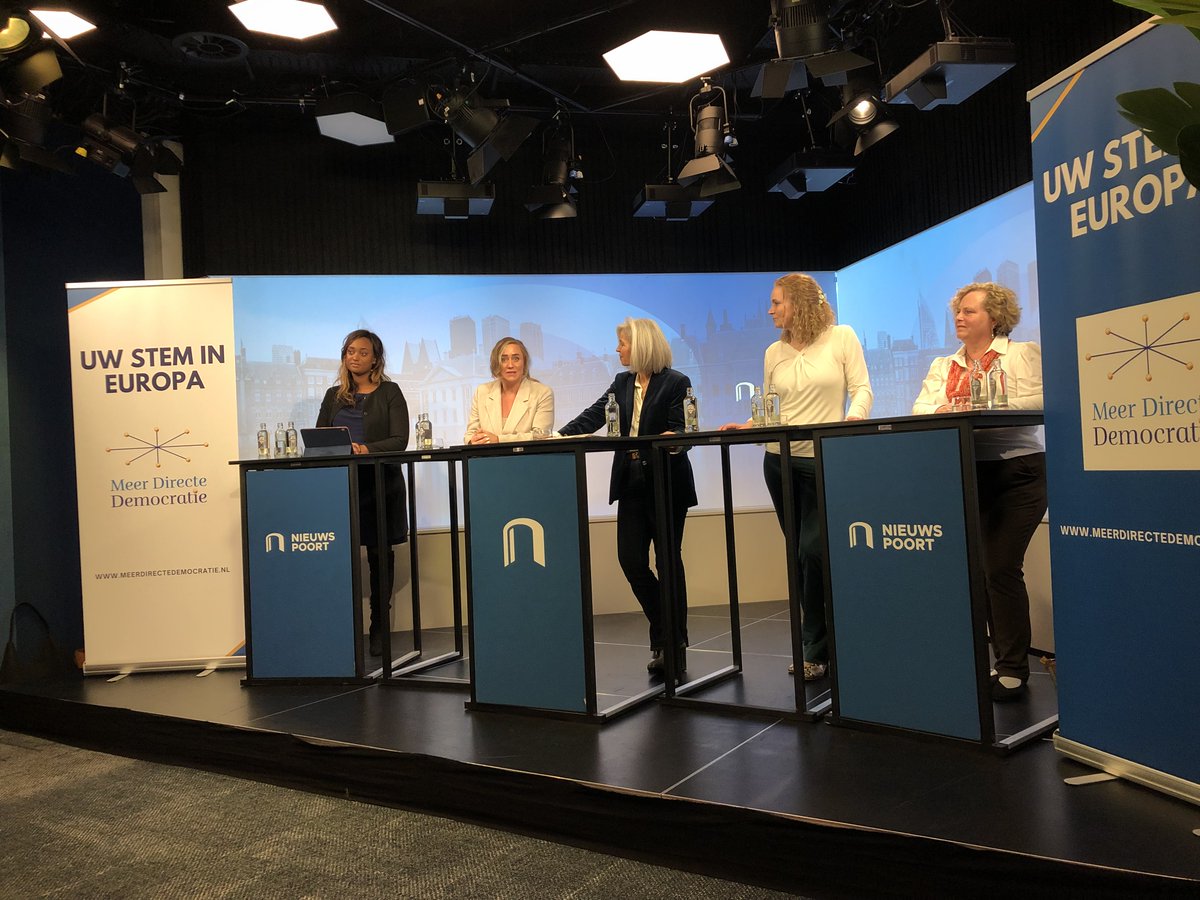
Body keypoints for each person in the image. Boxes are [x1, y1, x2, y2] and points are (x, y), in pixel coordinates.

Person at [721, 273, 872, 681]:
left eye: (776, 302)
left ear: (799, 303)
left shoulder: (841, 338)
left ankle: (817, 647)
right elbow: (771, 409)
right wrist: (748, 427)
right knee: (800, 557)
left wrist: (852, 420)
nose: (769, 310)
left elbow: (861, 389)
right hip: (779, 462)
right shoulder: (773, 351)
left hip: (822, 459)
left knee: (814, 551)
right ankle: (820, 645)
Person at [913, 282, 1046, 702]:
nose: (959, 317)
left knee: (1001, 567)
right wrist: (954, 408)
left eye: (969, 311)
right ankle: (996, 660)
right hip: (965, 470)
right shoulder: (943, 364)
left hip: (1018, 470)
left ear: (995, 317)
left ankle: (1013, 669)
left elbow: (1044, 400)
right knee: (981, 570)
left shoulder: (1021, 354)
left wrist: (990, 406)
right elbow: (921, 409)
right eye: (958, 310)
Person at [558, 318, 696, 679]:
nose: (617, 349)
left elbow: (683, 429)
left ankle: (669, 644)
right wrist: (558, 437)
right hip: (630, 481)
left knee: (667, 561)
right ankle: (670, 632)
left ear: (641, 345)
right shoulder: (621, 382)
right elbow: (593, 416)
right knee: (631, 561)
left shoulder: (676, 382)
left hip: (666, 482)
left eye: (622, 343)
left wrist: (674, 439)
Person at [316, 329, 410, 658]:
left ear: (375, 359)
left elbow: (400, 440)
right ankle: (343, 628)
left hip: (380, 486)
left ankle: (379, 629)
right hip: (343, 486)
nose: (354, 357)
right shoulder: (333, 395)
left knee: (379, 557)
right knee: (339, 557)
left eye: (362, 352)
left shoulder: (390, 392)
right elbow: (320, 439)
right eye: (350, 351)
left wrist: (364, 448)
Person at [463, 337, 554, 444]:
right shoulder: (482, 391)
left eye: (516, 359)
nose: (510, 365)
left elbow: (541, 436)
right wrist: (473, 440)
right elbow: (470, 434)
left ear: (524, 363)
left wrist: (498, 440)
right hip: (488, 454)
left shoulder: (542, 393)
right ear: (496, 364)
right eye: (504, 359)